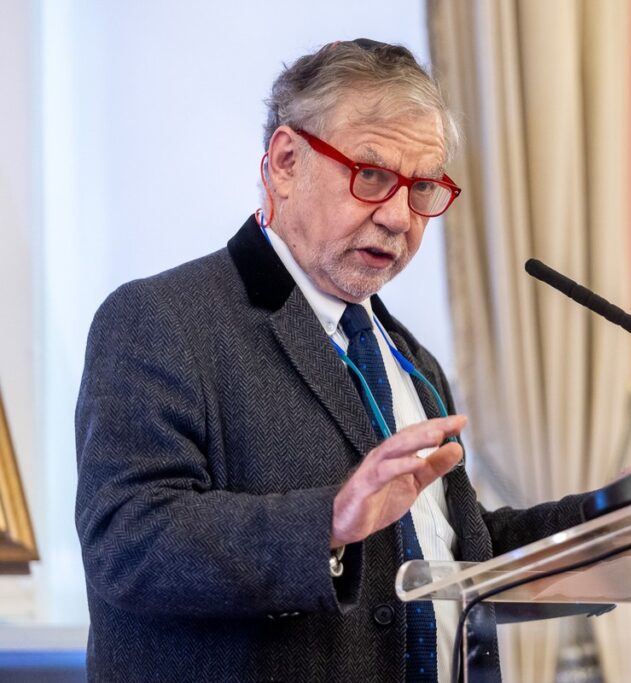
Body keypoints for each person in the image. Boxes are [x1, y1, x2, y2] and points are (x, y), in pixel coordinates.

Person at [75, 39, 587, 683]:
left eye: (422, 186)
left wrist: (606, 524)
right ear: (286, 161)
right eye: (371, 176)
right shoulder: (161, 319)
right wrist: (330, 522)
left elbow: (443, 544)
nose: (400, 216)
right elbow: (129, 543)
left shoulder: (414, 360)